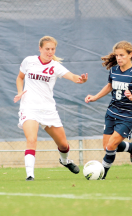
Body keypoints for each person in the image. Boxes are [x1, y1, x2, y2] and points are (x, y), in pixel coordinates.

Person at [14, 36, 88, 181]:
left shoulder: (55, 66)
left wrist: (80, 80)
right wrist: (19, 92)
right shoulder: (29, 61)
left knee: (63, 144)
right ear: (40, 48)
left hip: (48, 110)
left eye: (52, 49)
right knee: (31, 139)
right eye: (47, 49)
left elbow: (73, 77)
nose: (49, 51)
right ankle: (30, 175)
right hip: (29, 107)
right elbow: (19, 78)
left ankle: (65, 161)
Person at [85, 41, 132, 179]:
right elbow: (109, 86)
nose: (119, 58)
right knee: (107, 146)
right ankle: (131, 148)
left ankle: (101, 175)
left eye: (122, 55)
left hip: (128, 115)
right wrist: (95, 97)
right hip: (112, 112)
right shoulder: (113, 70)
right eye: (117, 55)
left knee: (111, 145)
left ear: (130, 55)